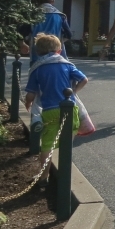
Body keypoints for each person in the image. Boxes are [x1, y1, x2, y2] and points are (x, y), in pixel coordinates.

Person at [24, 34, 87, 165]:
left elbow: (31, 94)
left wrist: (28, 103)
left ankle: (44, 174)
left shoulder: (37, 68)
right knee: (67, 141)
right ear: (59, 51)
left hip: (49, 111)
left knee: (47, 145)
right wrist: (74, 92)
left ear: (38, 52)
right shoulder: (67, 65)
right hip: (70, 109)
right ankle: (64, 170)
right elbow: (83, 79)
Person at [29, 0, 73, 64]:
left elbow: (23, 32)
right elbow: (69, 35)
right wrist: (58, 41)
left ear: (38, 1)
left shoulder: (33, 15)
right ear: (53, 1)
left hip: (37, 51)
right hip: (55, 52)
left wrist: (22, 44)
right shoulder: (60, 16)